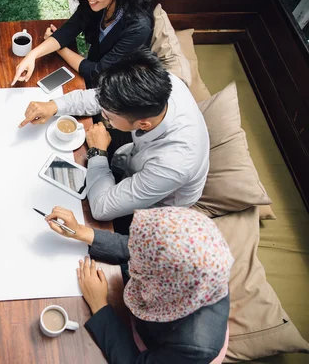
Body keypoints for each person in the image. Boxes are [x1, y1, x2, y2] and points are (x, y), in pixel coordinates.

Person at [19, 50, 209, 230]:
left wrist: (98, 152)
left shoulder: (174, 164)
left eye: (107, 117)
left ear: (143, 124)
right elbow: (103, 99)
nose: (103, 115)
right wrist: (54, 105)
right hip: (133, 159)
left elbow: (102, 209)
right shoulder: (163, 83)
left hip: (158, 206)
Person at [46, 206, 234, 363]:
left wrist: (99, 305)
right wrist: (81, 232)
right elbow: (144, 246)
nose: (136, 257)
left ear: (163, 285)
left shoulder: (193, 344)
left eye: (143, 262)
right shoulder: (188, 257)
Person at [11, 0, 153, 88]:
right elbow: (71, 28)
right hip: (92, 69)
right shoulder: (101, 2)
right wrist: (33, 55)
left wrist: (61, 50)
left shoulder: (138, 27)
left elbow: (97, 72)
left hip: (114, 89)